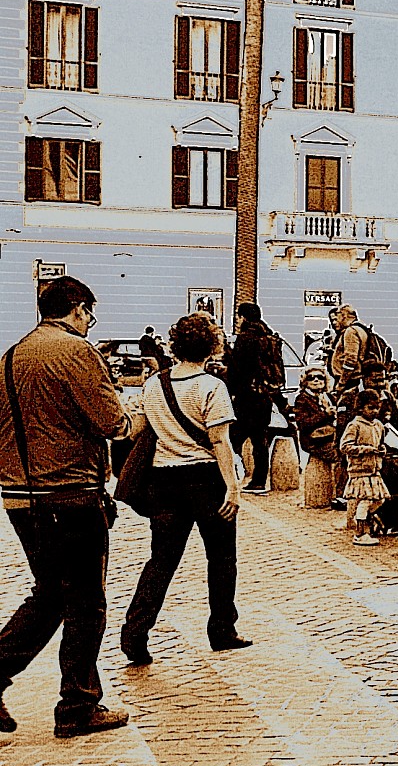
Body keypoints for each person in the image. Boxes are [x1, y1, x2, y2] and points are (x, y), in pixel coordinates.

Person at [0, 276, 129, 737]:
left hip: (19, 495)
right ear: (76, 308)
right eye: (90, 313)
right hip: (69, 493)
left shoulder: (12, 355)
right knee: (86, 602)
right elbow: (112, 421)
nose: (92, 323)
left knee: (51, 594)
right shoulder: (77, 351)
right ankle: (78, 705)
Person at [118, 311, 249, 665]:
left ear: (175, 345)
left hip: (164, 480)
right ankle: (222, 629)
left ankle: (135, 632)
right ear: (212, 347)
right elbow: (220, 442)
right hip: (207, 480)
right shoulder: (211, 386)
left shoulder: (153, 385)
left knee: (161, 561)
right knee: (221, 559)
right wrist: (233, 488)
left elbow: (135, 431)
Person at [224, 303, 285, 493]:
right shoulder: (269, 337)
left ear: (243, 317)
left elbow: (237, 370)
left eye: (238, 316)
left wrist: (231, 390)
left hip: (247, 395)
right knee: (260, 439)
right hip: (265, 395)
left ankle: (227, 475)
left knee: (232, 436)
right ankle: (259, 481)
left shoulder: (245, 339)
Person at [339, 392, 395, 545]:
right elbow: (344, 446)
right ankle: (359, 533)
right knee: (365, 500)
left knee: (379, 499)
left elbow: (381, 443)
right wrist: (365, 449)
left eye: (377, 408)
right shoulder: (354, 425)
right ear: (360, 408)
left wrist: (382, 450)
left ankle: (367, 519)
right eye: (370, 408)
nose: (375, 411)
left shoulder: (378, 425)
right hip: (359, 470)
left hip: (374, 469)